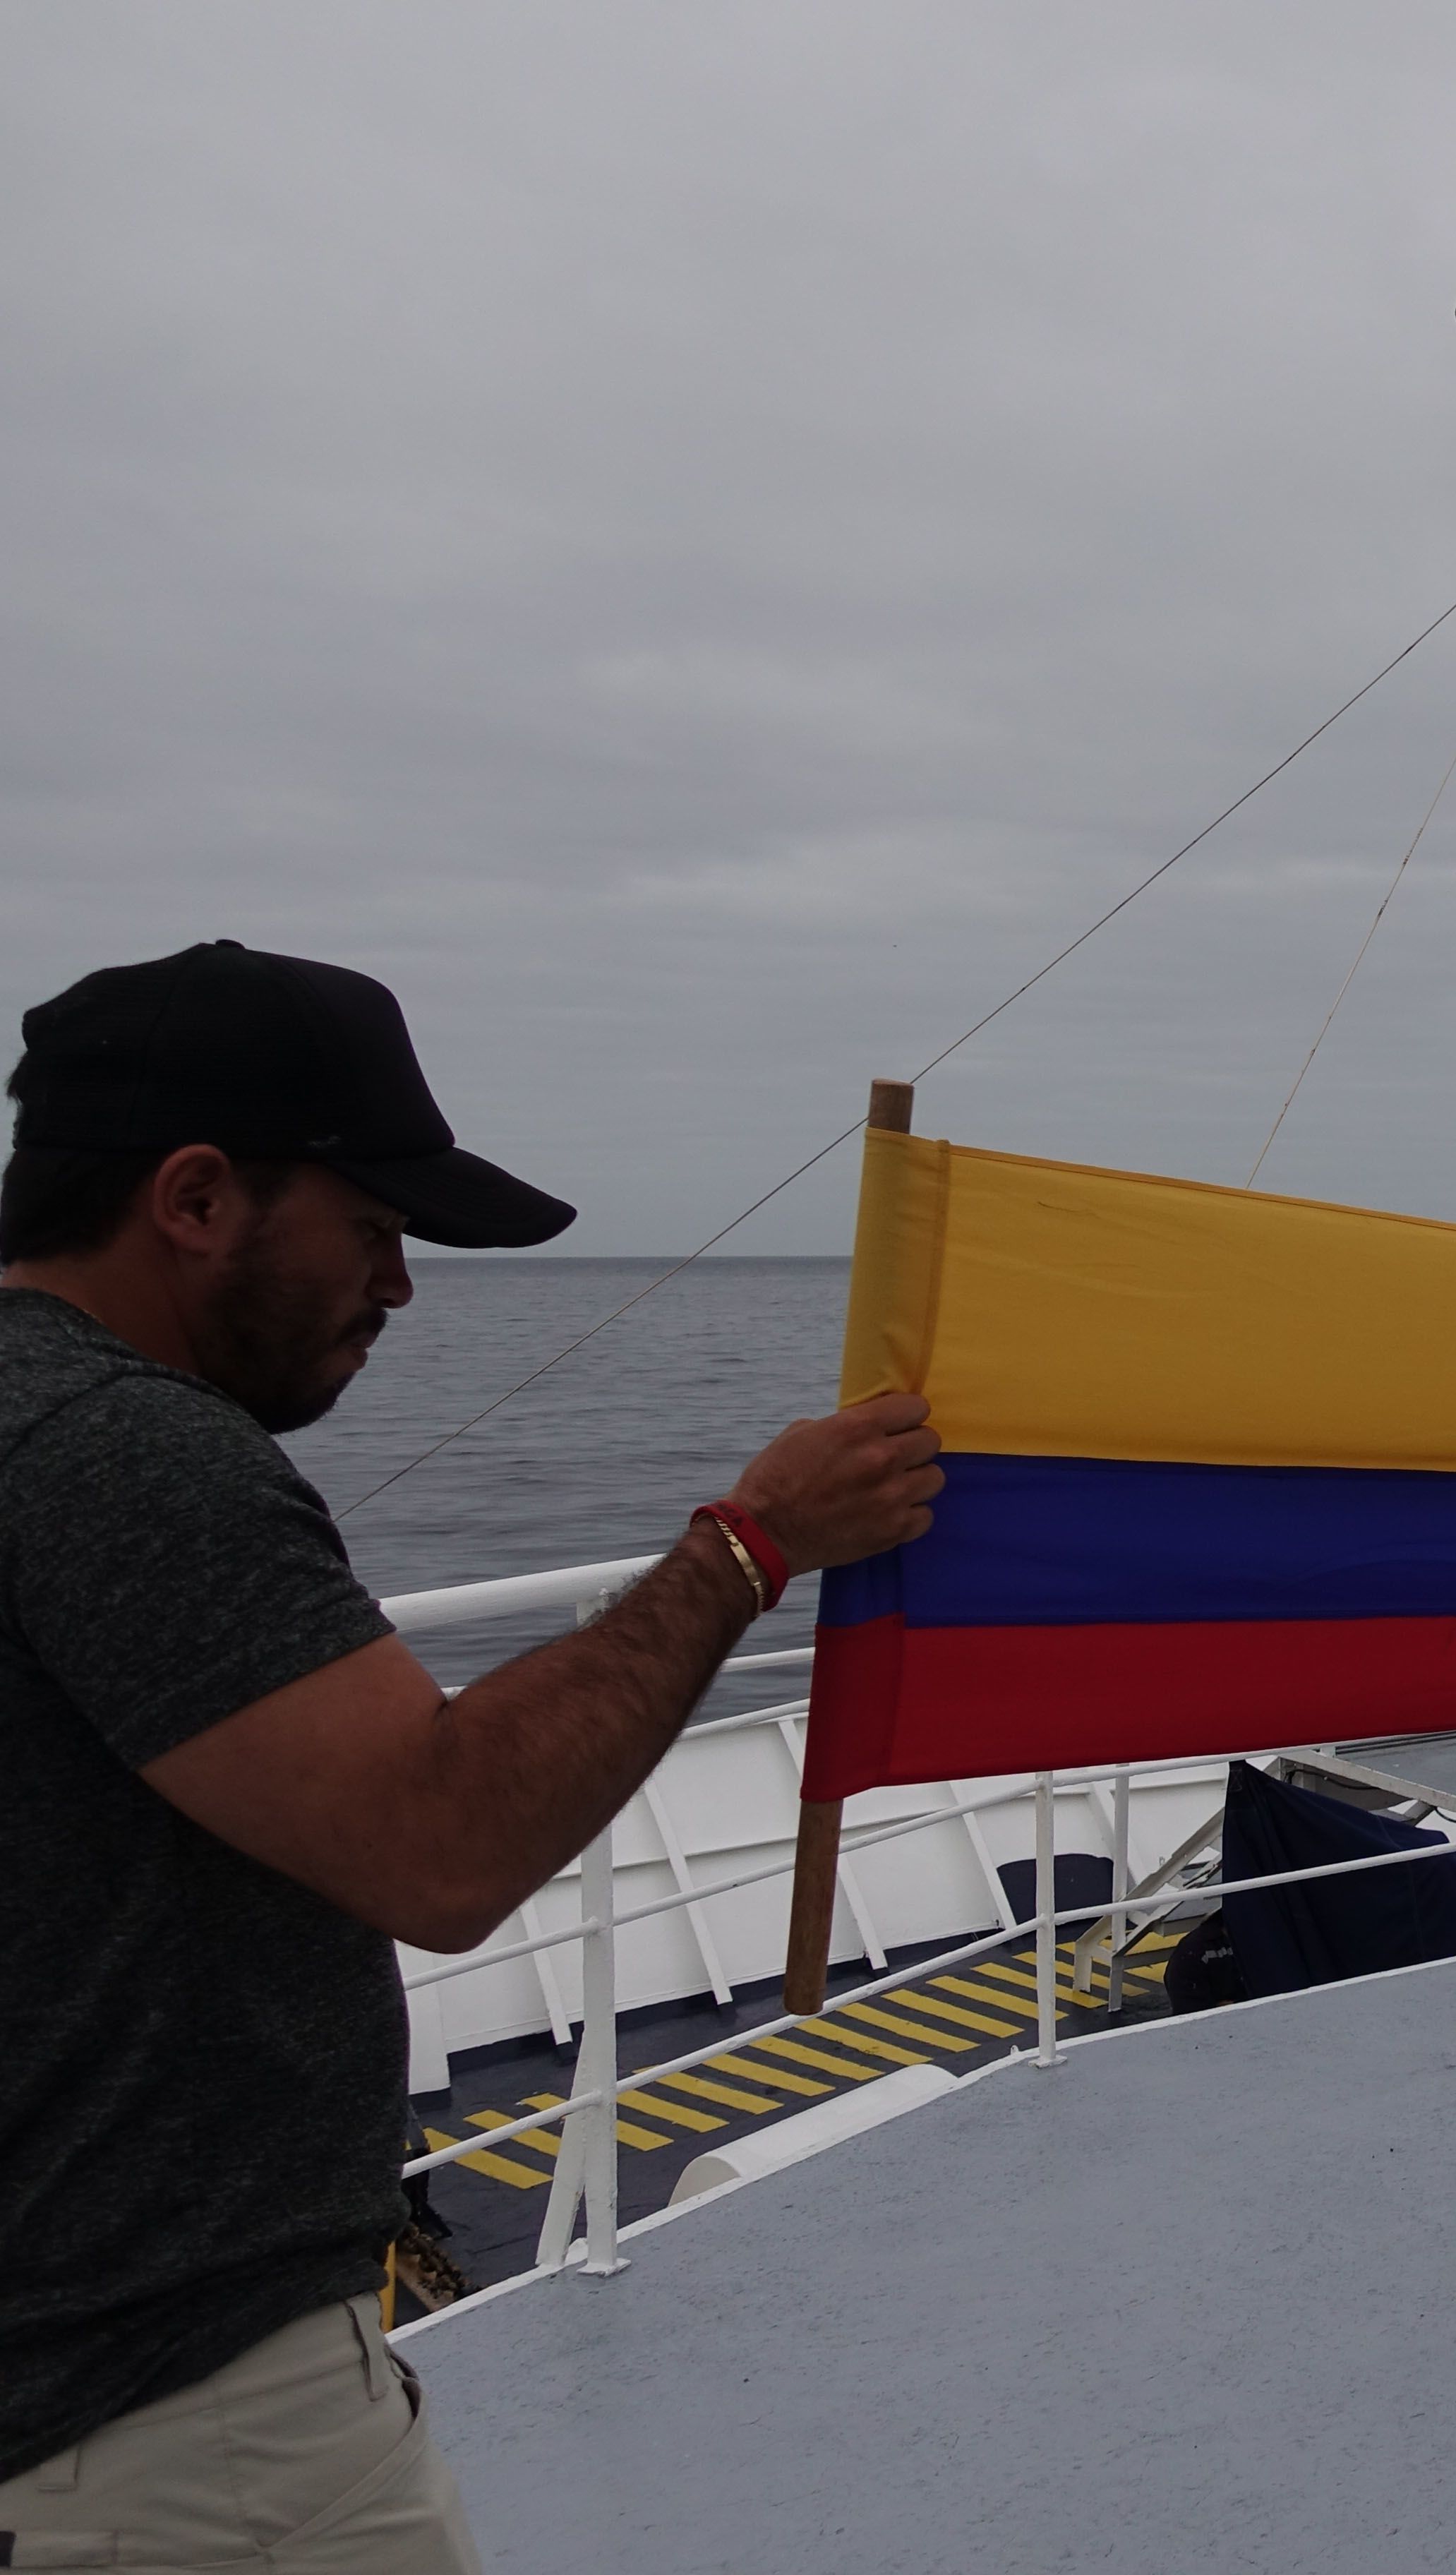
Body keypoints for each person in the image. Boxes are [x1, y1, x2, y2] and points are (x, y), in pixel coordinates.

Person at [0, 942, 940, 2571]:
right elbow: (441, 1848)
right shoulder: (120, 1450)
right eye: (373, 1227)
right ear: (197, 1198)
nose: (402, 1286)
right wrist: (754, 1541)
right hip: (185, 2439)